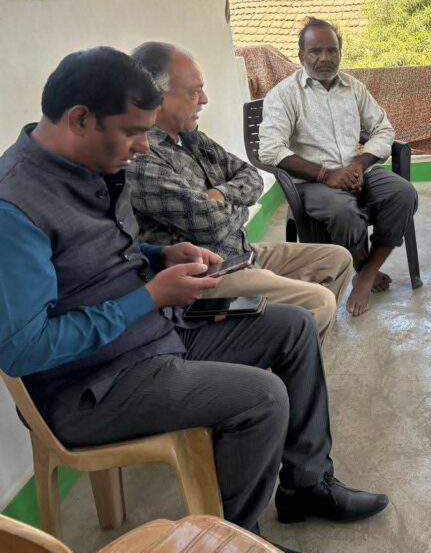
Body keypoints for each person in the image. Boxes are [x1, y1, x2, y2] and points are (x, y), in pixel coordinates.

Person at [0, 48, 388, 553]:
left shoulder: (97, 162)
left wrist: (157, 255)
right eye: (133, 132)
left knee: (294, 328)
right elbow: (23, 349)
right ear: (80, 119)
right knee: (261, 397)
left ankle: (307, 486)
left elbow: (92, 259)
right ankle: (233, 543)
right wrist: (148, 296)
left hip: (153, 331)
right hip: (93, 386)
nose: (143, 146)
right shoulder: (14, 205)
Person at [128, 41, 353, 339]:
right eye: (193, 92)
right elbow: (211, 224)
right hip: (209, 277)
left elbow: (252, 177)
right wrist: (238, 207)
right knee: (318, 301)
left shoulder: (193, 138)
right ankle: (283, 351)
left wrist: (220, 195)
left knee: (337, 260)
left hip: (242, 252)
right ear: (157, 97)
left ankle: (296, 348)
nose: (204, 99)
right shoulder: (142, 156)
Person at [259, 18, 418, 316]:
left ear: (340, 52)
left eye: (332, 50)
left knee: (403, 193)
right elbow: (270, 150)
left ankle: (366, 274)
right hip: (313, 183)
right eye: (315, 51)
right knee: (344, 213)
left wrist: (360, 162)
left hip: (357, 174)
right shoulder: (284, 95)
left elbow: (383, 129)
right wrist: (325, 174)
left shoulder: (353, 87)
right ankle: (363, 266)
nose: (325, 58)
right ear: (301, 56)